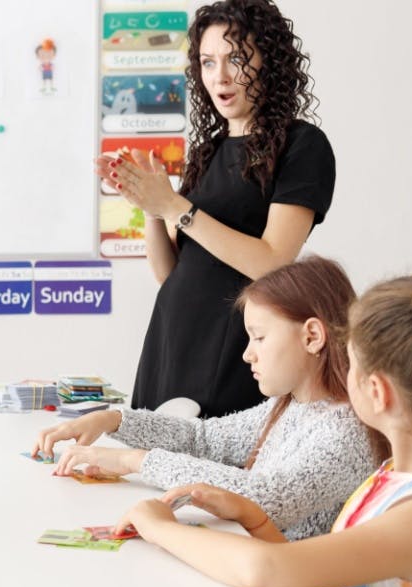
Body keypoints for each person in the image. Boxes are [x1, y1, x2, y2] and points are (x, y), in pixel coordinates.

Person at [116, 261, 412, 587]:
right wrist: (253, 516)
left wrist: (160, 528)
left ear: (377, 392)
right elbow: (313, 580)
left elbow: (268, 570)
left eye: (352, 365)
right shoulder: (395, 476)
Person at [97, 0, 336, 417]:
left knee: (207, 470)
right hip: (171, 339)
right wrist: (151, 206)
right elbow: (168, 273)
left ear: (271, 62)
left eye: (237, 59)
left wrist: (175, 205)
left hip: (234, 344)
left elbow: (273, 260)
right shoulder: (207, 152)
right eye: (208, 62)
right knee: (151, 464)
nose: (220, 76)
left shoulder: (303, 145)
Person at [33, 257, 384, 540]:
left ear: (312, 336)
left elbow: (267, 498)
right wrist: (113, 420)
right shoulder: (293, 405)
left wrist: (133, 461)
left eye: (258, 338)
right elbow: (203, 438)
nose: (247, 355)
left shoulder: (347, 430)